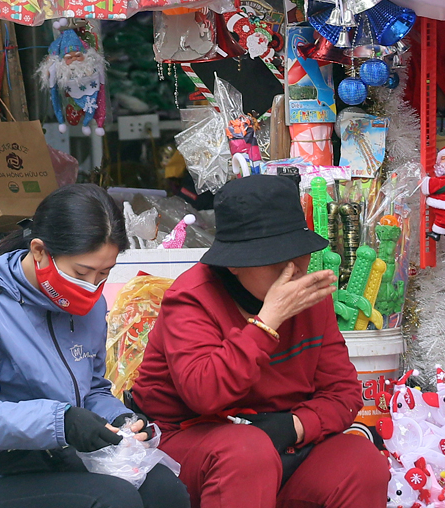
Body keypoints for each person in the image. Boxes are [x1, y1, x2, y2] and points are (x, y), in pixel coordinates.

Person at [132, 174, 390, 508]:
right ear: (234, 264)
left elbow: (343, 393)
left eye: (298, 254)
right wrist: (267, 322)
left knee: (360, 460)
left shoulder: (310, 294)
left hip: (282, 437)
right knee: (246, 454)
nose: (292, 271)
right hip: (194, 438)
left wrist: (296, 426)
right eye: (275, 261)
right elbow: (203, 394)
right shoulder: (191, 297)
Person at [0, 184, 190, 508]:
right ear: (39, 251)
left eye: (103, 274)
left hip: (62, 464)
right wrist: (62, 422)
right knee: (114, 501)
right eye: (82, 272)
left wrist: (124, 420)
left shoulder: (90, 306)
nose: (92, 286)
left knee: (165, 490)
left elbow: (93, 388)